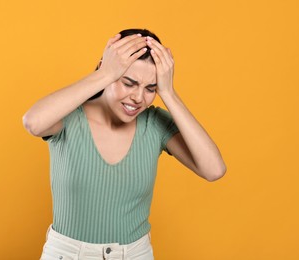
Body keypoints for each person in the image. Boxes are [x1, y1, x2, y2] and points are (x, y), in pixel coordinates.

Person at [23, 28, 227, 260]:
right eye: (129, 83)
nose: (138, 97)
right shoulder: (69, 117)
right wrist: (103, 74)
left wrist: (168, 93)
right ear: (108, 71)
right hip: (68, 254)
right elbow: (34, 122)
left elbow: (214, 170)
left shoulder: (154, 124)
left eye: (151, 88)